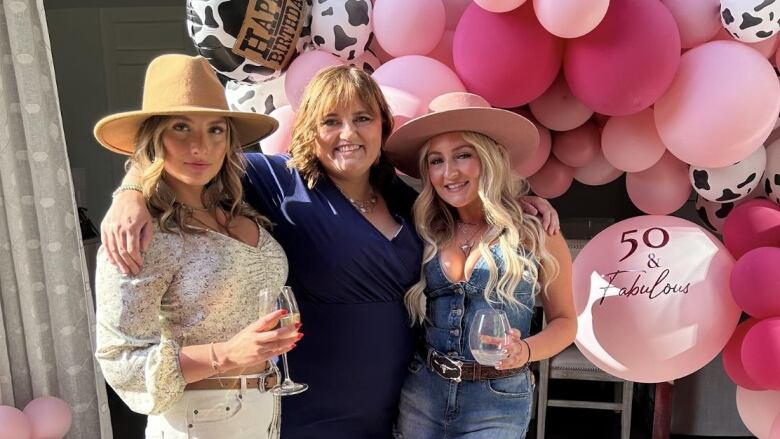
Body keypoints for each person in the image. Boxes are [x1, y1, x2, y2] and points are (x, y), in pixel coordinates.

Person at [100, 65, 560, 438]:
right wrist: (131, 190)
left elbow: (473, 199)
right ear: (308, 130)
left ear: (383, 126)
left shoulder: (405, 197)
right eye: (330, 121)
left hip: (401, 398)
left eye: (362, 118)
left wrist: (522, 202)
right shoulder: (276, 179)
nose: (348, 134)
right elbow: (194, 158)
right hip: (307, 400)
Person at [93, 54, 301, 439]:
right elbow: (120, 361)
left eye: (216, 130)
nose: (200, 146)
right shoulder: (138, 233)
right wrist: (226, 355)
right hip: (197, 419)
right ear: (154, 137)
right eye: (181, 127)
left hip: (264, 409)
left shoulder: (238, 208)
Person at [384, 92, 577, 438]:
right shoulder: (425, 229)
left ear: (489, 158)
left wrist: (526, 351)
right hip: (422, 393)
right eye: (436, 160)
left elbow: (566, 322)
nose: (449, 172)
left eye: (463, 155)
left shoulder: (535, 232)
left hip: (498, 402)